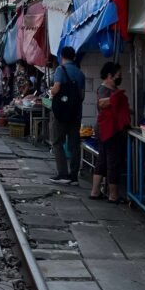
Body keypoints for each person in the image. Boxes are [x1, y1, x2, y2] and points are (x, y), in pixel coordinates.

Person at [89, 61, 130, 203]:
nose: (120, 77)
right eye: (118, 75)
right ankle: (113, 195)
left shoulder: (110, 90)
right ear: (109, 75)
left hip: (106, 130)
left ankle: (95, 191)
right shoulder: (104, 90)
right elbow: (102, 103)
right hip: (109, 130)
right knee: (112, 162)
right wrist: (116, 99)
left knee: (103, 160)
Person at [48, 46, 86, 186]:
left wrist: (51, 92)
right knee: (74, 145)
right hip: (75, 114)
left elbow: (57, 87)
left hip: (60, 114)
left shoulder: (60, 69)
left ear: (61, 56)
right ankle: (74, 176)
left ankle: (63, 174)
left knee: (57, 142)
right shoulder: (80, 73)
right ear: (74, 57)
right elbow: (82, 95)